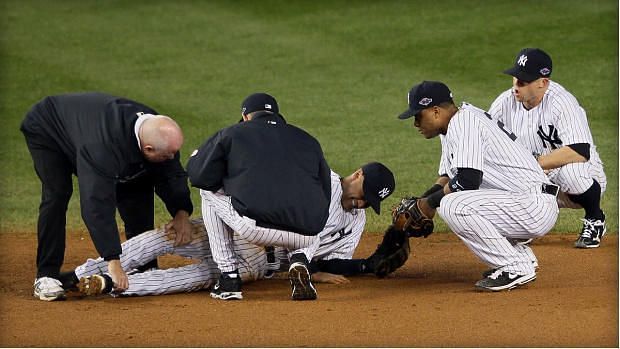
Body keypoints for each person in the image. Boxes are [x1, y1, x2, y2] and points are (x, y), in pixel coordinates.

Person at [69, 162, 395, 299]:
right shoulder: (316, 180)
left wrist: (361, 266)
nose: (362, 204)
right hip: (234, 230)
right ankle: (78, 274)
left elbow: (331, 261)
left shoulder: (356, 221)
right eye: (364, 195)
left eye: (370, 204)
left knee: (190, 279)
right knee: (163, 237)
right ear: (357, 174)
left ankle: (108, 284)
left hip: (258, 264)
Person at [20, 92, 193, 301]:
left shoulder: (160, 132)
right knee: (57, 193)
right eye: (168, 155)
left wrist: (181, 212)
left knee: (137, 183)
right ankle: (46, 275)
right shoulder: (102, 148)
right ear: (147, 147)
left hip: (89, 129)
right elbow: (96, 205)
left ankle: (143, 266)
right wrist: (113, 261)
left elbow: (171, 174)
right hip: (49, 129)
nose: (172, 158)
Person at [397, 80, 559, 292]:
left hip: (532, 205)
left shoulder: (464, 123)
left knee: (453, 205)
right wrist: (421, 203)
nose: (416, 123)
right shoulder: (453, 125)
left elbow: (467, 180)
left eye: (418, 116)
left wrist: (430, 204)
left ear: (435, 111)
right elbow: (448, 178)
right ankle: (520, 257)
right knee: (453, 198)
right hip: (522, 201)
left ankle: (514, 266)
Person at [489, 48, 607, 249]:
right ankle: (522, 227)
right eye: (515, 78)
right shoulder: (505, 103)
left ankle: (595, 218)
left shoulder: (562, 102)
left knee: (573, 175)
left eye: (523, 81)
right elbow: (486, 140)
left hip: (580, 174)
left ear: (543, 83)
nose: (516, 85)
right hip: (535, 180)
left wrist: (533, 164)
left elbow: (580, 151)